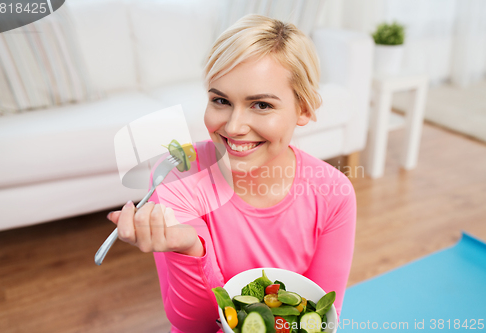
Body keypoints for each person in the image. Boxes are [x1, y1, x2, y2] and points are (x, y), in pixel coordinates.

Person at [107, 14, 356, 333]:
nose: (234, 127)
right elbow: (192, 323)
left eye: (261, 105)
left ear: (304, 109)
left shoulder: (333, 192)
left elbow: (323, 315)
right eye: (221, 100)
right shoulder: (177, 175)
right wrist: (190, 249)